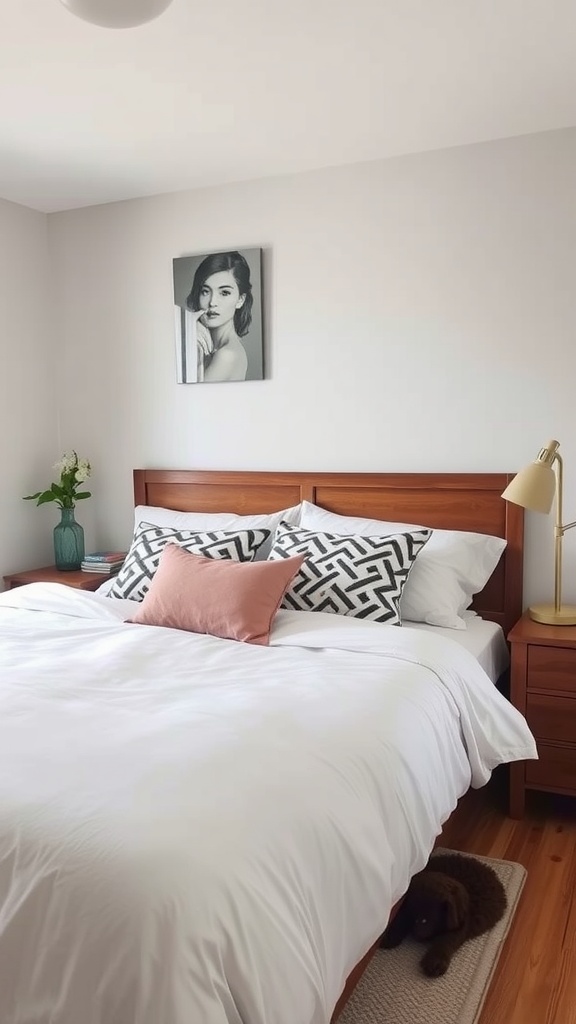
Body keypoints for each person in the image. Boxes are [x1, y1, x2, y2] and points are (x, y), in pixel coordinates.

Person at [186, 251, 253, 382]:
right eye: (205, 292)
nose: (212, 302)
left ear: (240, 300)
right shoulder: (216, 349)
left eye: (224, 293)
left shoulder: (227, 355)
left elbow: (191, 397)